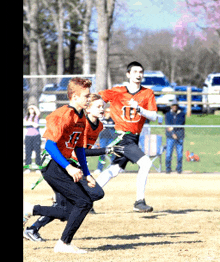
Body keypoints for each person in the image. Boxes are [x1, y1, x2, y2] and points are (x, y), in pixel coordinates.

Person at [23, 93, 120, 242]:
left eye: (103, 106)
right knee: (69, 209)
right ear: (88, 108)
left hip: (74, 167)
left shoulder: (99, 126)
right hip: (63, 167)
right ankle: (32, 222)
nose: (102, 109)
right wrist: (105, 150)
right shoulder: (81, 123)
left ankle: (33, 224)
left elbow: (82, 150)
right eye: (98, 106)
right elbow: (75, 149)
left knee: (85, 200)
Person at [96, 61, 158, 212]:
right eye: (135, 71)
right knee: (146, 163)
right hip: (122, 136)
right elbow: (98, 98)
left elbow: (154, 116)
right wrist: (98, 111)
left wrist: (139, 109)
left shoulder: (147, 93)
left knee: (115, 169)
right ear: (128, 74)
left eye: (141, 72)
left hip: (134, 138)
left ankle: (86, 196)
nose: (139, 74)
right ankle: (139, 201)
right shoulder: (118, 91)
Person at [165, 99, 185, 174]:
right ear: (171, 106)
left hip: (180, 136)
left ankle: (179, 169)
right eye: (173, 105)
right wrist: (173, 133)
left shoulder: (182, 114)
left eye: (176, 105)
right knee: (168, 154)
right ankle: (168, 169)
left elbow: (180, 123)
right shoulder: (168, 115)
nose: (174, 107)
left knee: (179, 154)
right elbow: (168, 125)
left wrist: (175, 131)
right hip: (170, 136)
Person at [94, 106, 116, 174]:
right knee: (102, 153)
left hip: (111, 138)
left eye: (109, 112)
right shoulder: (102, 119)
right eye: (107, 112)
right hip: (103, 138)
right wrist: (105, 118)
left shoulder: (113, 120)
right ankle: (99, 168)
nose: (108, 113)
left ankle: (113, 167)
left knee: (112, 153)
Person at [23, 105, 41, 173]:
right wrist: (32, 123)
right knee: (28, 152)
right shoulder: (26, 117)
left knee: (37, 152)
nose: (31, 110)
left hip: (36, 136)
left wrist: (33, 106)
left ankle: (38, 168)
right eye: (30, 109)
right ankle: (27, 168)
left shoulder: (36, 117)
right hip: (28, 136)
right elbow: (24, 122)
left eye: (32, 109)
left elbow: (38, 112)